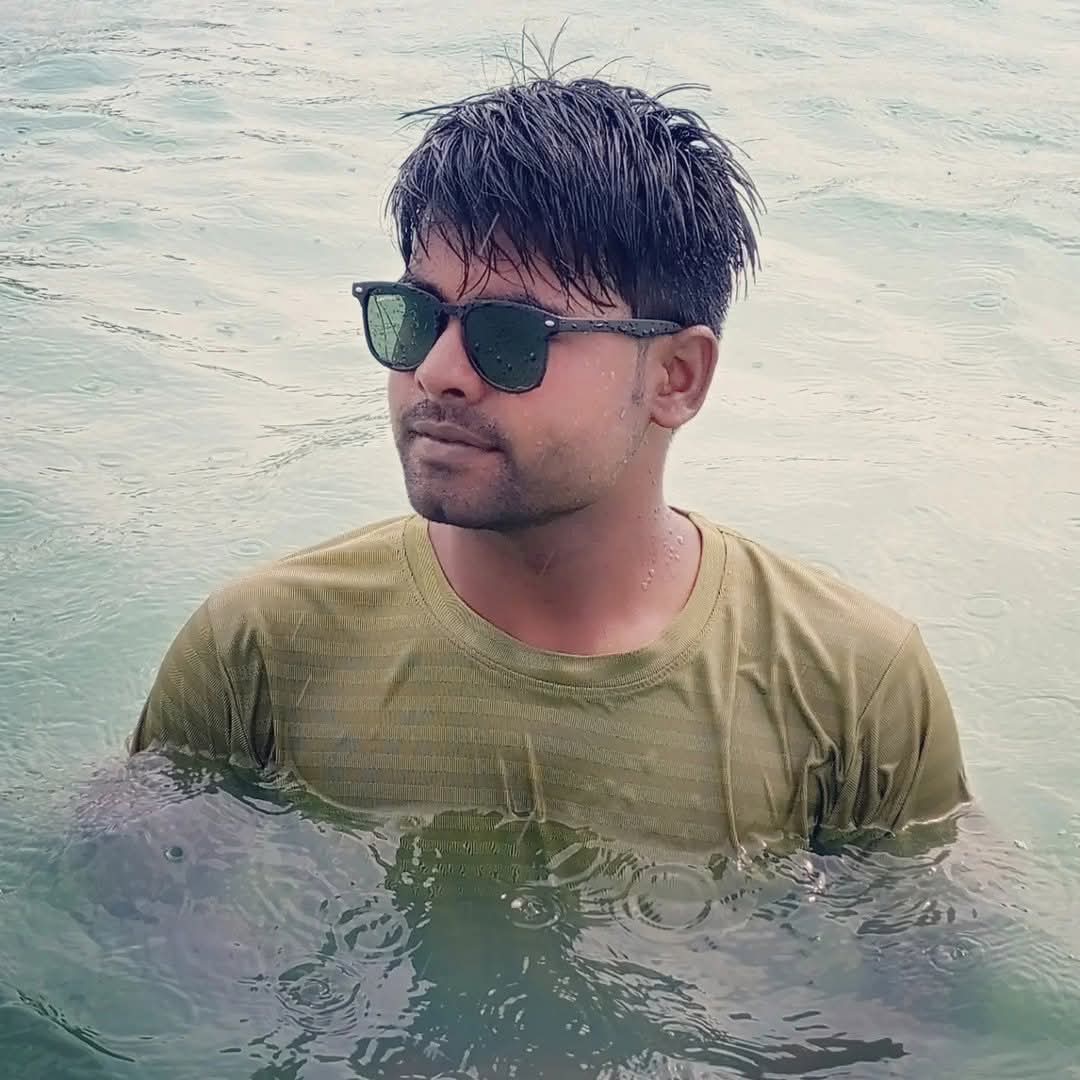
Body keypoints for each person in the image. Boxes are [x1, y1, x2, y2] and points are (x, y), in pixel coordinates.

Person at [129, 75, 971, 853]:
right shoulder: (261, 649)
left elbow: (925, 960)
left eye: (511, 335)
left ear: (675, 377)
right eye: (415, 316)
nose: (438, 371)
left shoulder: (850, 688)